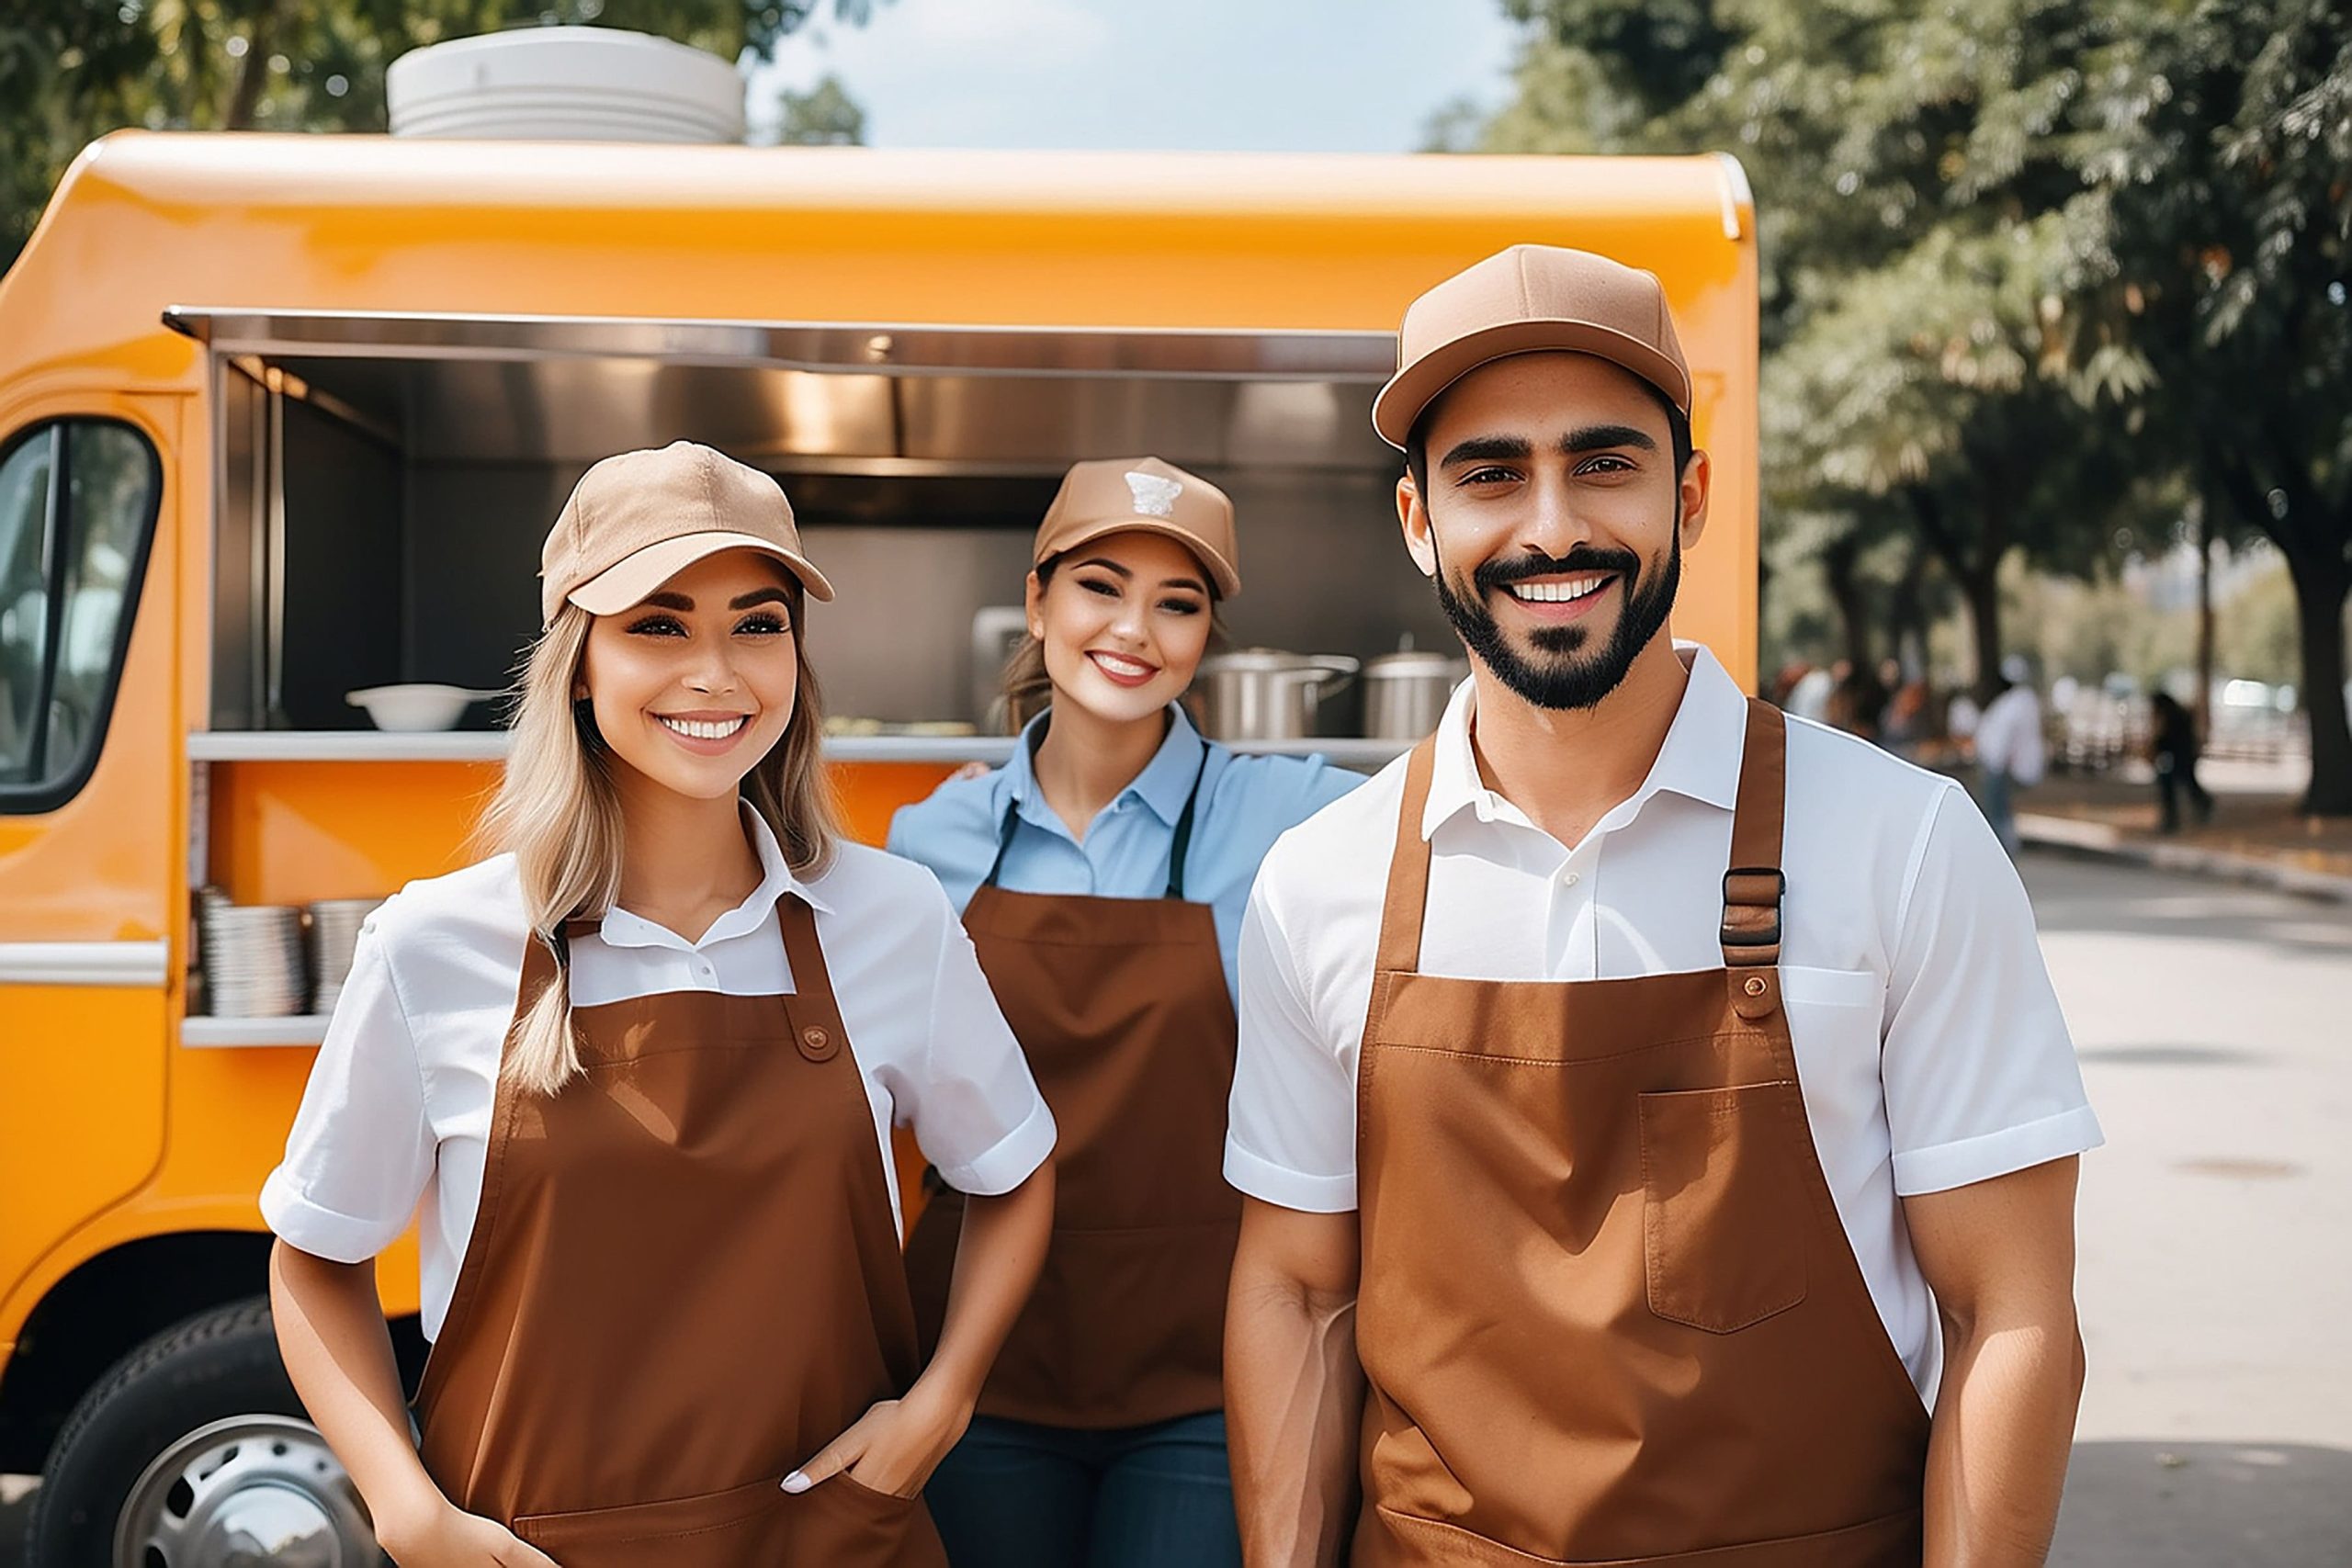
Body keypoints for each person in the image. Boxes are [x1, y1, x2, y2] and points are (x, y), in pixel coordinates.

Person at [1222, 246, 2103, 1568]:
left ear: (1688, 495)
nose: (1553, 526)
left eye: (1606, 463)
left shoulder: (1904, 844)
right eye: (1490, 473)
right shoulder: (1318, 880)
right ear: (1417, 519)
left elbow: (2010, 1308)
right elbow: (1296, 1290)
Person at [262, 442, 1057, 1568]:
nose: (717, 672)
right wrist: (406, 1508)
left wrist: (940, 1405)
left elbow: (1014, 1174)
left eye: (759, 623)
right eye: (660, 623)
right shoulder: (432, 944)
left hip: (826, 1539)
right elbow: (315, 1253)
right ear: (577, 665)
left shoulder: (892, 918)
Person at [888, 457, 1360, 1568]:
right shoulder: (929, 843)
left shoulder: (1291, 814)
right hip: (976, 1366)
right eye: (1101, 587)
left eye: (1178, 603)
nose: (1135, 630)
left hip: (1202, 1374)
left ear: (1206, 638)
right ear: (1037, 599)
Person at [1975, 653, 2048, 857]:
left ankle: (2004, 850)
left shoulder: (2016, 704)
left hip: (2001, 765)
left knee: (1998, 811)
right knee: (2000, 810)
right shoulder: (2023, 701)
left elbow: (2004, 738)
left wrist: (1997, 763)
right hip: (2002, 763)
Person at [2151, 691, 2214, 832]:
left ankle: (2173, 819)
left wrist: (2157, 745)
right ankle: (2202, 805)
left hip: (2177, 757)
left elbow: (2168, 740)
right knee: (2187, 784)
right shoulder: (2180, 714)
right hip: (2183, 757)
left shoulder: (2173, 717)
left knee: (2175, 786)